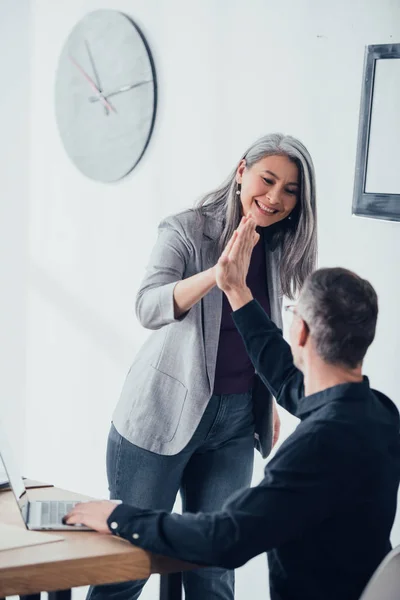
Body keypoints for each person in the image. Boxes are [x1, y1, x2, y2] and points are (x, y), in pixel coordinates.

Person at [65, 219, 400, 600]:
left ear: (302, 332)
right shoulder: (381, 415)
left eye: (292, 315)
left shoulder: (314, 447)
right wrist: (237, 292)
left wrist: (118, 516)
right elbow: (292, 383)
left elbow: (225, 539)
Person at [83, 134, 317, 600]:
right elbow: (148, 307)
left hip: (233, 425)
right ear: (240, 172)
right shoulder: (187, 230)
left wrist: (262, 396)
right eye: (267, 180)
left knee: (212, 570)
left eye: (290, 190)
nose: (275, 198)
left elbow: (263, 334)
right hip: (161, 417)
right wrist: (219, 274)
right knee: (129, 567)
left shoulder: (276, 245)